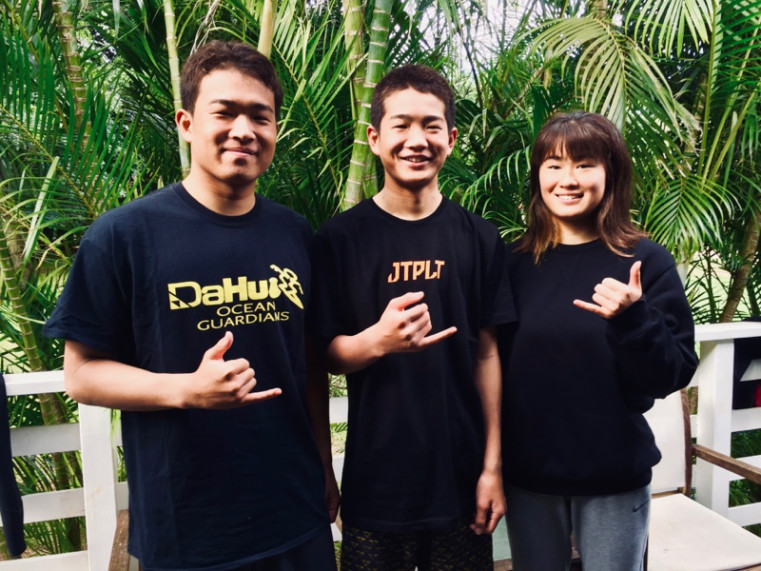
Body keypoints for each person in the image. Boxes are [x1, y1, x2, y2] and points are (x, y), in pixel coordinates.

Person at [43, 41, 338, 571]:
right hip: (188, 527)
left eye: (260, 116)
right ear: (186, 123)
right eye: (224, 112)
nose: (244, 129)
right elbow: (81, 374)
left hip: (295, 513)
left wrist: (324, 467)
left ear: (275, 129)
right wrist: (186, 389)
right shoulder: (123, 235)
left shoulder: (294, 232)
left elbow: (309, 362)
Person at [311, 64, 516, 570]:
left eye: (431, 126)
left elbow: (488, 356)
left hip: (461, 482)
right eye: (401, 125)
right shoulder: (339, 239)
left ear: (451, 139)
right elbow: (321, 359)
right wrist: (377, 341)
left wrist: (492, 468)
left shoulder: (480, 238)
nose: (416, 140)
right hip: (375, 484)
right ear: (375, 138)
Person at [500, 111, 698, 570]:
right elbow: (489, 365)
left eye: (584, 164)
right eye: (554, 165)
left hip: (614, 475)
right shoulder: (511, 264)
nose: (568, 179)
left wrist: (634, 319)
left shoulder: (645, 261)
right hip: (528, 476)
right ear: (538, 175)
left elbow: (672, 374)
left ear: (611, 173)